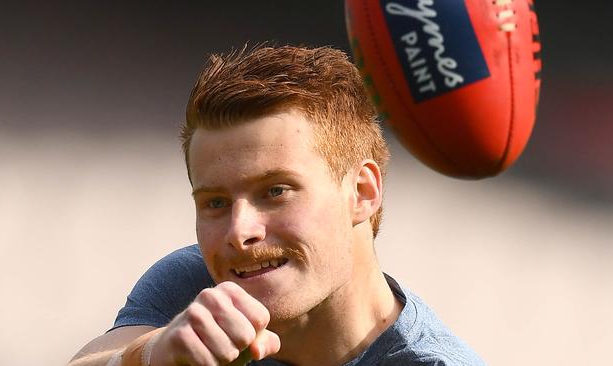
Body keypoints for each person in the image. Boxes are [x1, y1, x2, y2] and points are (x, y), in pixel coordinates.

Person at [68, 45, 485, 366]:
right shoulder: (196, 288)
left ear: (361, 192)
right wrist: (150, 354)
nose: (238, 231)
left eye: (275, 191)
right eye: (215, 202)